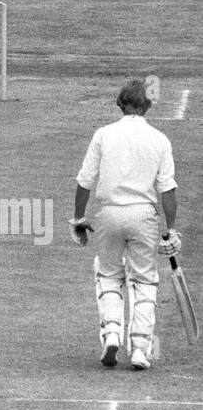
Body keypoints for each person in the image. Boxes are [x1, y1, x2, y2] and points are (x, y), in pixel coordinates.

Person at [71, 79, 180, 371]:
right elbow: (167, 190)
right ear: (147, 105)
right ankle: (140, 349)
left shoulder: (104, 135)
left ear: (121, 104)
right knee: (145, 280)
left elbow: (85, 181)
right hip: (144, 215)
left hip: (109, 214)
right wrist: (171, 229)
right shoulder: (159, 139)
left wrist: (79, 218)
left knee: (108, 275)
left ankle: (111, 335)